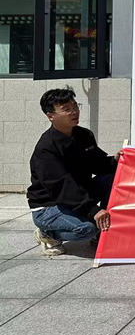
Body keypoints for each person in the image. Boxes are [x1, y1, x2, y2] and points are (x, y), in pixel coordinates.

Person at [28, 88, 118, 256]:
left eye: (75, 106)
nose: (74, 112)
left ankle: (103, 229)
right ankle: (47, 233)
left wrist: (116, 160)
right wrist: (93, 210)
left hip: (77, 193)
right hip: (49, 205)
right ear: (50, 116)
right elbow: (62, 186)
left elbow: (98, 164)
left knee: (111, 178)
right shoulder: (46, 148)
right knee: (86, 229)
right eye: (66, 109)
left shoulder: (84, 135)